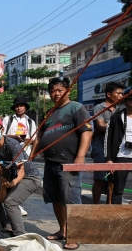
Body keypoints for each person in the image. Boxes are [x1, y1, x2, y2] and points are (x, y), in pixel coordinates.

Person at [29, 77, 92, 250]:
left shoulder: (76, 108)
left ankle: (75, 234)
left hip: (69, 163)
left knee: (71, 200)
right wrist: (31, 156)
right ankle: (63, 230)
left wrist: (80, 157)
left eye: (59, 90)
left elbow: (86, 132)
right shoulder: (49, 113)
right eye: (53, 91)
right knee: (55, 198)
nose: (56, 94)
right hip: (50, 162)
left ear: (67, 90)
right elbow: (40, 137)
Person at [0, 117, 42, 236]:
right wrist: (0, 174)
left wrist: (13, 183)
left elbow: (21, 170)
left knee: (10, 202)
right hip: (8, 175)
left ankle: (20, 235)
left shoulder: (11, 144)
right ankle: (6, 226)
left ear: (2, 129)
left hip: (29, 177)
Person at [91, 82, 124, 204]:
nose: (121, 95)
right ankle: (96, 205)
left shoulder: (121, 109)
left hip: (116, 148)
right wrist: (118, 128)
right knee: (99, 178)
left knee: (112, 179)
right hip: (100, 147)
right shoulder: (99, 108)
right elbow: (100, 126)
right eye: (118, 93)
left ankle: (109, 206)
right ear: (109, 94)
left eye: (122, 93)